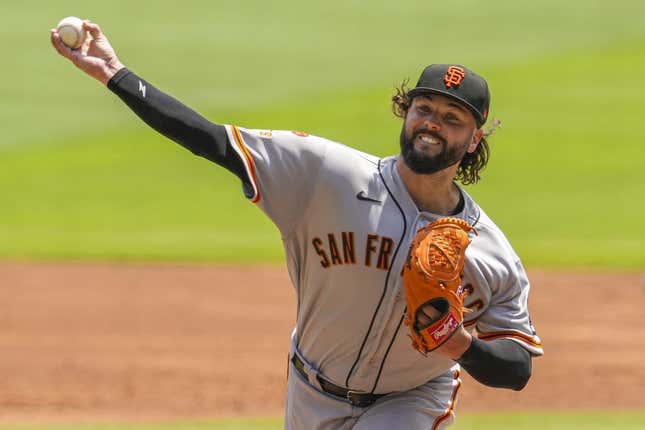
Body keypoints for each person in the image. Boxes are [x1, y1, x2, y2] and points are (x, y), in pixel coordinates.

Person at [50, 20, 543, 430]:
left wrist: (458, 342)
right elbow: (212, 141)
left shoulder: (491, 254)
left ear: (475, 139)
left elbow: (516, 369)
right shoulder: (324, 174)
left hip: (411, 401)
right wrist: (114, 73)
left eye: (452, 118)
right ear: (406, 111)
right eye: (425, 109)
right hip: (309, 390)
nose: (432, 123)